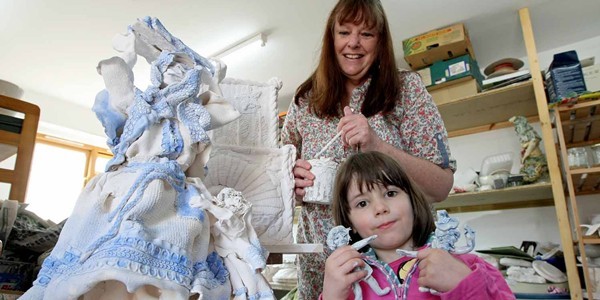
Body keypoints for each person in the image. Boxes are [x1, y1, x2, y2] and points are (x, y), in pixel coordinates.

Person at [280, 0, 455, 298]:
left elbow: (441, 186)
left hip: (402, 268)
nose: (354, 43)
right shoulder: (304, 101)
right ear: (331, 39)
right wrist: (288, 182)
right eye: (344, 32)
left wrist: (376, 144)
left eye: (367, 34)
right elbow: (273, 182)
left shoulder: (406, 90)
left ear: (380, 40)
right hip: (322, 269)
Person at [321, 151, 514, 299]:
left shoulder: (469, 266)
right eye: (362, 203)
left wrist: (464, 283)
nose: (380, 208)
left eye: (390, 193)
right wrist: (330, 296)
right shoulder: (346, 282)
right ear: (349, 223)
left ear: (412, 201)